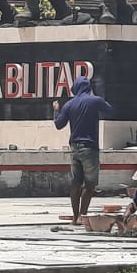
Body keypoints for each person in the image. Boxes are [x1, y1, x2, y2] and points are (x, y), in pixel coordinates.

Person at [54, 75, 114, 222]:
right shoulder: (95, 101)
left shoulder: (69, 104)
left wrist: (56, 110)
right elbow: (110, 111)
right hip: (90, 148)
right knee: (90, 184)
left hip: (74, 149)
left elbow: (58, 124)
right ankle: (83, 215)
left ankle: (75, 217)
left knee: (75, 183)